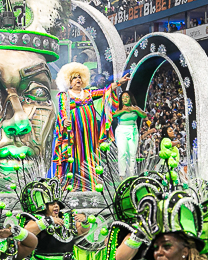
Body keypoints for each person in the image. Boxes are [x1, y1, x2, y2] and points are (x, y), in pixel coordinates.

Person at [54, 62, 129, 190]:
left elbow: (106, 90)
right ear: (69, 81)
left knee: (91, 153)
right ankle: (75, 184)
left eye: (79, 77)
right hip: (75, 131)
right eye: (74, 78)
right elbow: (62, 111)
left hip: (91, 132)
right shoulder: (65, 95)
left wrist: (119, 82)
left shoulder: (89, 92)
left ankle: (92, 182)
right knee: (75, 154)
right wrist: (65, 120)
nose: (78, 79)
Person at [21, 180, 90, 260]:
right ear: (44, 206)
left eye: (57, 203)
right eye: (52, 204)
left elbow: (82, 232)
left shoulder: (67, 218)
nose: (56, 206)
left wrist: (85, 221)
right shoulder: (38, 219)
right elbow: (27, 231)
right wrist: (48, 221)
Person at [112, 91, 146, 176]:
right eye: (123, 97)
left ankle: (131, 174)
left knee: (132, 153)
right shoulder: (119, 107)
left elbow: (144, 115)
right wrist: (123, 111)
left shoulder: (135, 108)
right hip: (121, 131)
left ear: (130, 98)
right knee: (122, 153)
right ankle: (122, 175)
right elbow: (113, 115)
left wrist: (136, 110)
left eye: (127, 96)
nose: (125, 99)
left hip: (133, 130)